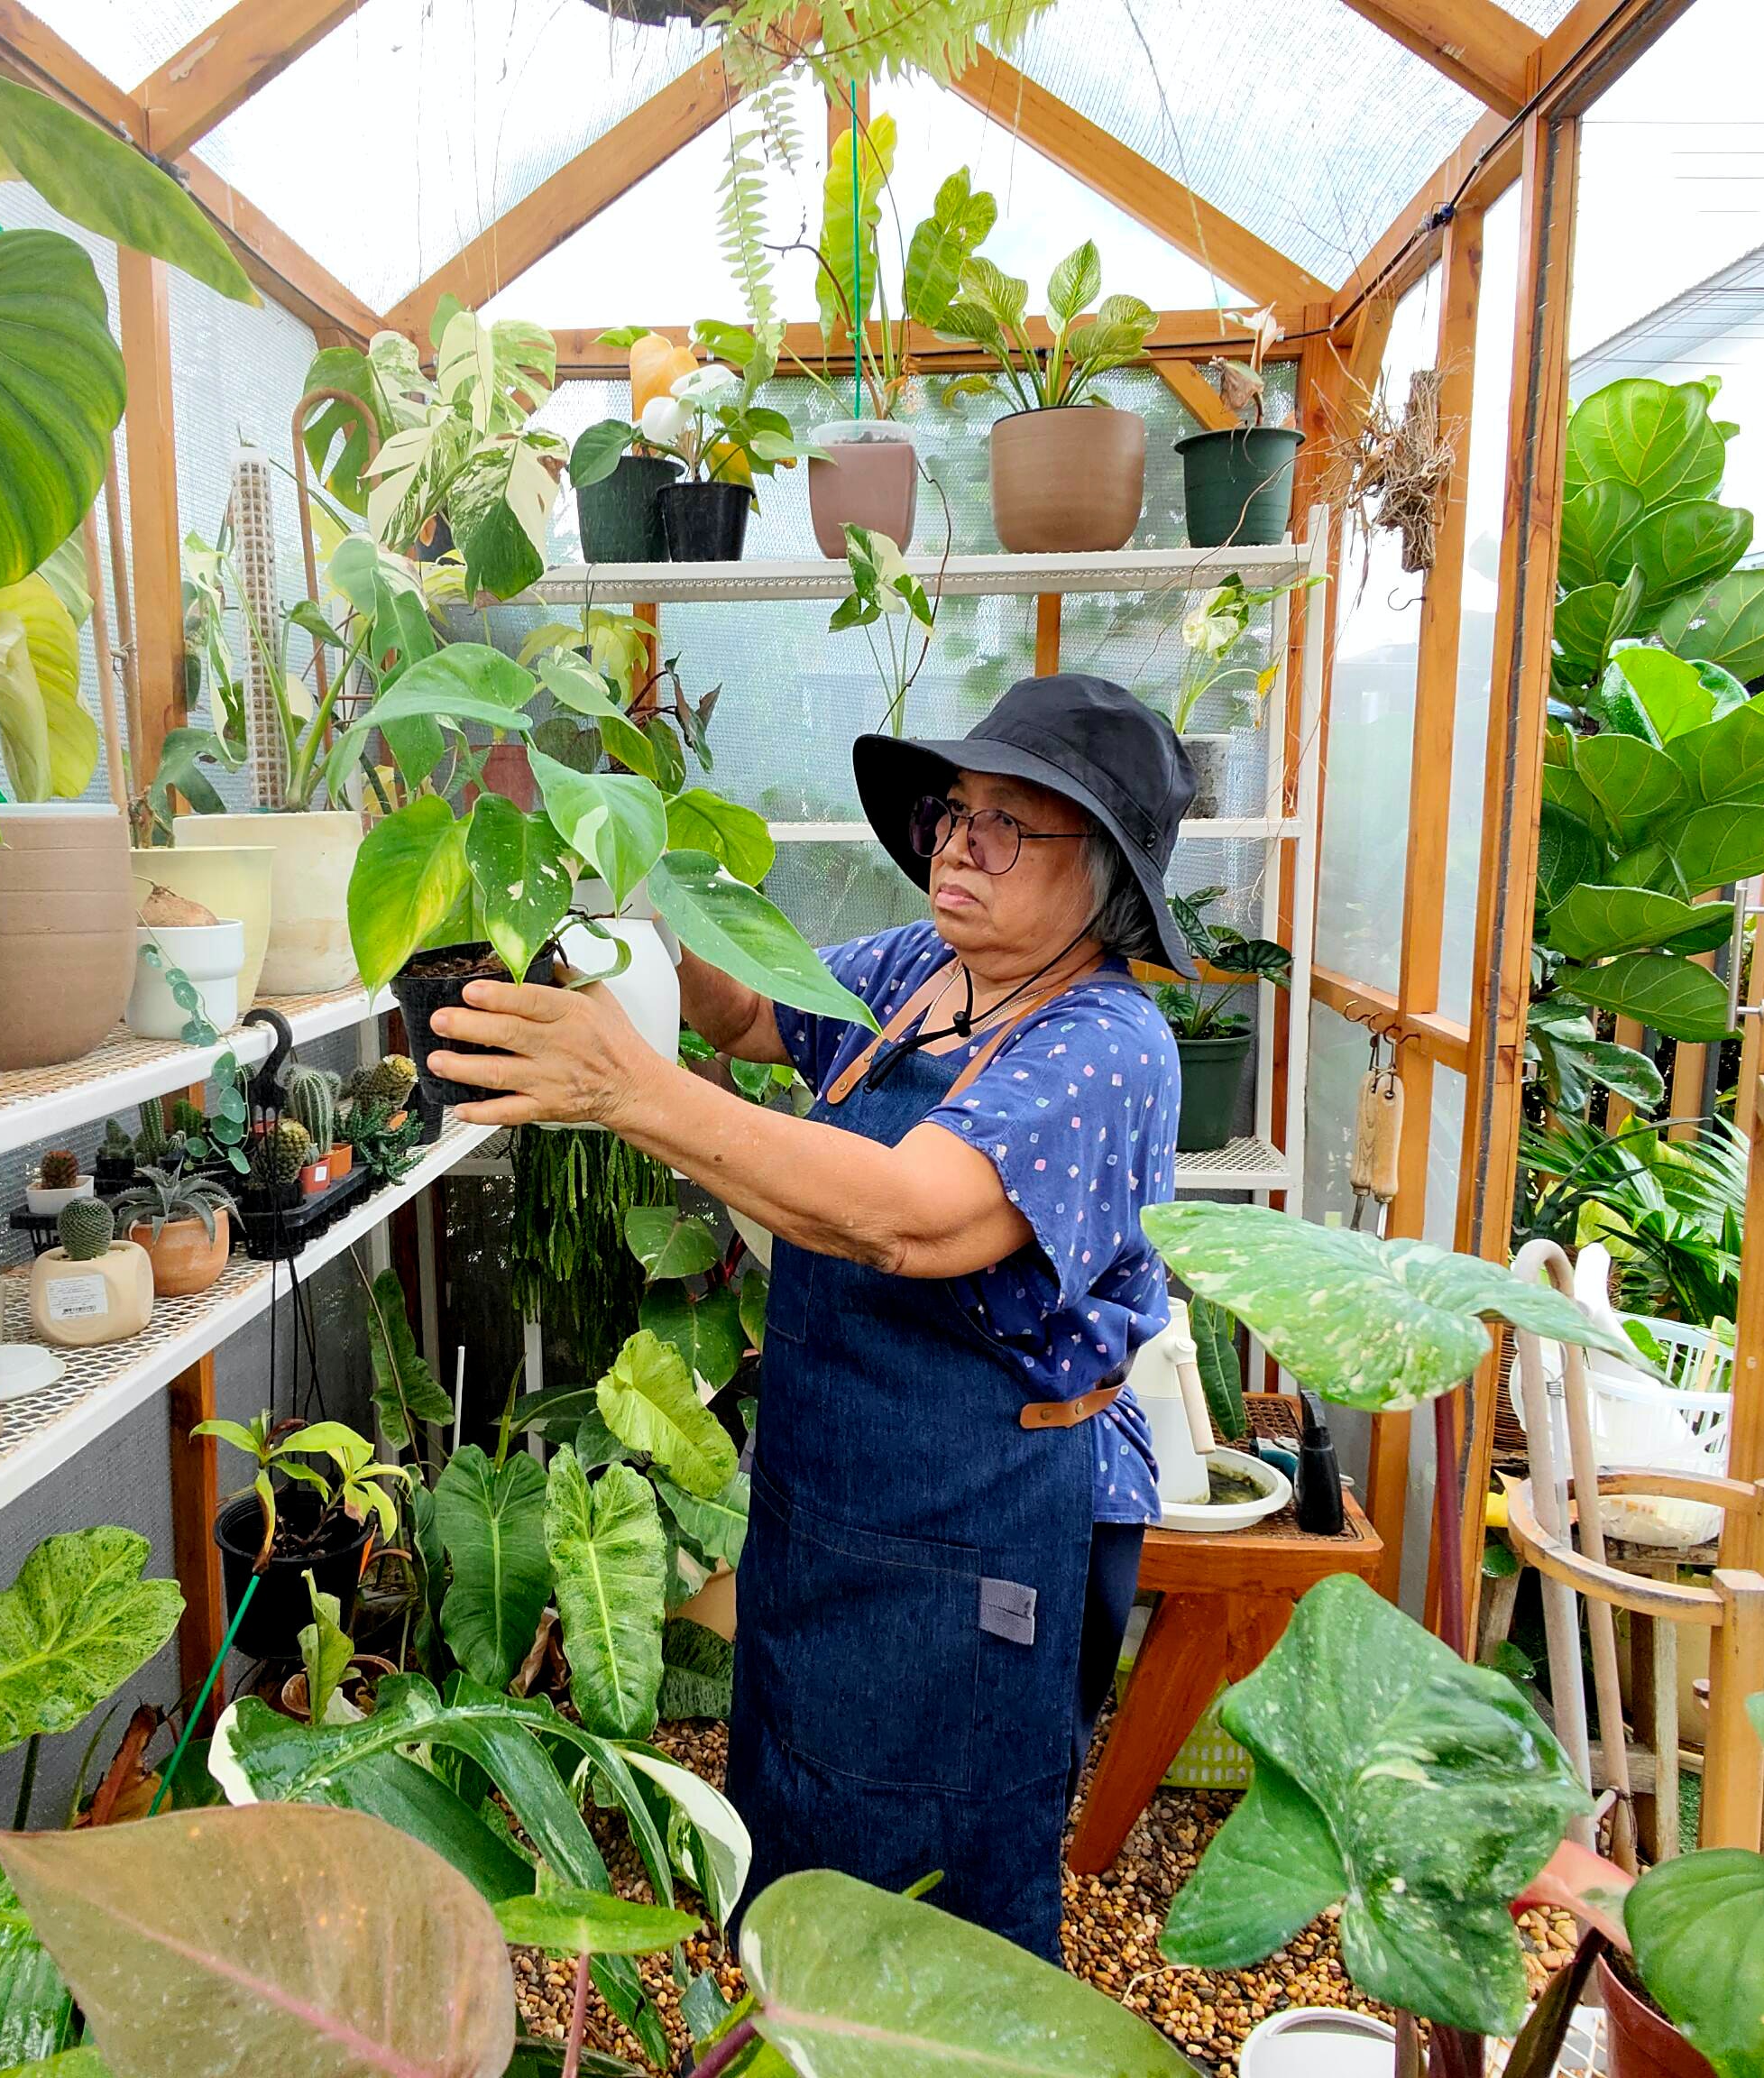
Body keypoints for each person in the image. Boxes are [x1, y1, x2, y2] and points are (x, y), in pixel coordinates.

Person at [423, 673, 1196, 1959]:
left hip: (979, 1525)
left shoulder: (1107, 1044)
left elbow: (908, 1215)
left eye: (1010, 825)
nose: (958, 844)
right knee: (795, 1822)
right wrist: (617, 874)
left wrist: (631, 1090)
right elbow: (742, 1008)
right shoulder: (916, 972)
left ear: (1107, 873)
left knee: (935, 1889)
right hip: (829, 1499)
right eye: (954, 811)